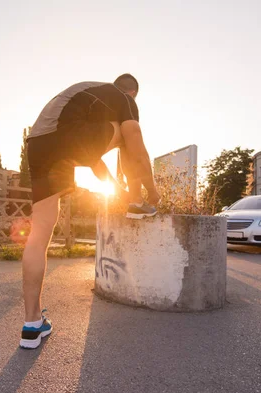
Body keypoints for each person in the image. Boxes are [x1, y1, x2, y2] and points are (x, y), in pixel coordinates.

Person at [19, 73, 160, 349]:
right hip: (66, 136)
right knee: (129, 133)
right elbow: (136, 142)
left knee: (40, 231)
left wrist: (115, 187)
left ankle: (32, 325)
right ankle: (137, 201)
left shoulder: (92, 98)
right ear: (132, 94)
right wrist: (152, 191)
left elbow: (91, 158)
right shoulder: (123, 99)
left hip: (38, 144)